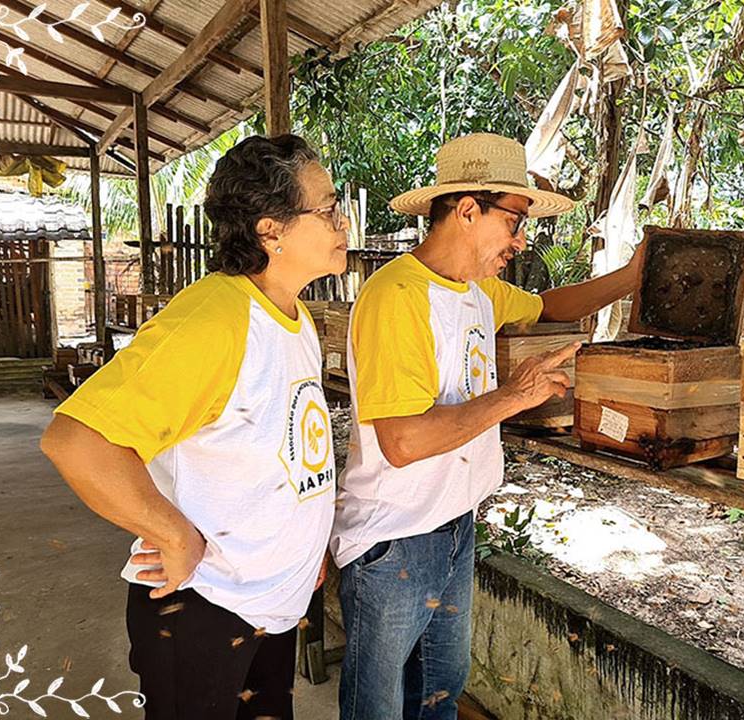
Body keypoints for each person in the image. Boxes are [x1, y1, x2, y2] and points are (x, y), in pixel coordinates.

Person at [332, 132, 644, 719]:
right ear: (468, 211)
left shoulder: (478, 291)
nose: (520, 239)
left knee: (440, 695)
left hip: (451, 524)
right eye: (514, 220)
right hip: (395, 537)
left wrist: (632, 275)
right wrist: (512, 398)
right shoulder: (396, 297)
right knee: (379, 708)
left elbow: (550, 306)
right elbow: (402, 442)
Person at [40, 134, 347, 720]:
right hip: (204, 608)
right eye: (327, 208)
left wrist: (305, 549)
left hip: (265, 604)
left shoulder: (294, 316)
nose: (342, 222)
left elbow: (282, 453)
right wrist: (176, 535)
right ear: (270, 230)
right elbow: (76, 441)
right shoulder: (214, 319)